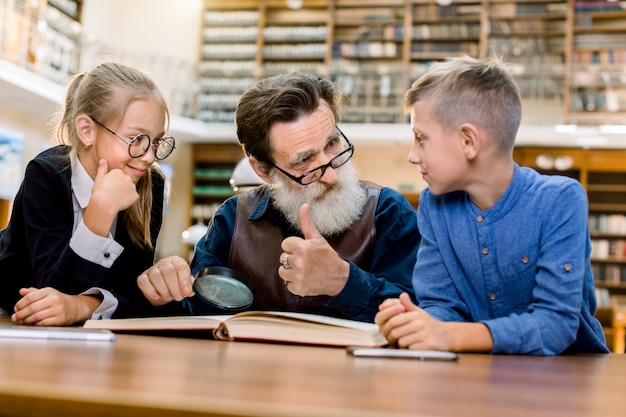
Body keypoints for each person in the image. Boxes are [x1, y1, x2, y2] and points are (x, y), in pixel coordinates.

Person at [138, 73, 419, 322]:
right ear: (263, 170)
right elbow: (199, 315)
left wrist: (344, 282)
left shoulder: (388, 212)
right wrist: (164, 294)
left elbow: (419, 315)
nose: (331, 176)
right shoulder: (232, 220)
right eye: (304, 161)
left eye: (333, 144)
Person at [375, 55, 609, 355]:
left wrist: (452, 336)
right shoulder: (434, 206)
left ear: (468, 141)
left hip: (567, 377)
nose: (412, 155)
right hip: (477, 375)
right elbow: (441, 305)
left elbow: (555, 325)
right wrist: (417, 325)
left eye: (421, 138)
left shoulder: (560, 199)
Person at [0, 62, 176, 326]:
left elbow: (132, 292)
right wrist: (100, 213)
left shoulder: (151, 185)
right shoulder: (45, 174)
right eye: (136, 139)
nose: (150, 157)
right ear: (86, 130)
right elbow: (51, 292)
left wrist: (84, 305)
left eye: (156, 141)